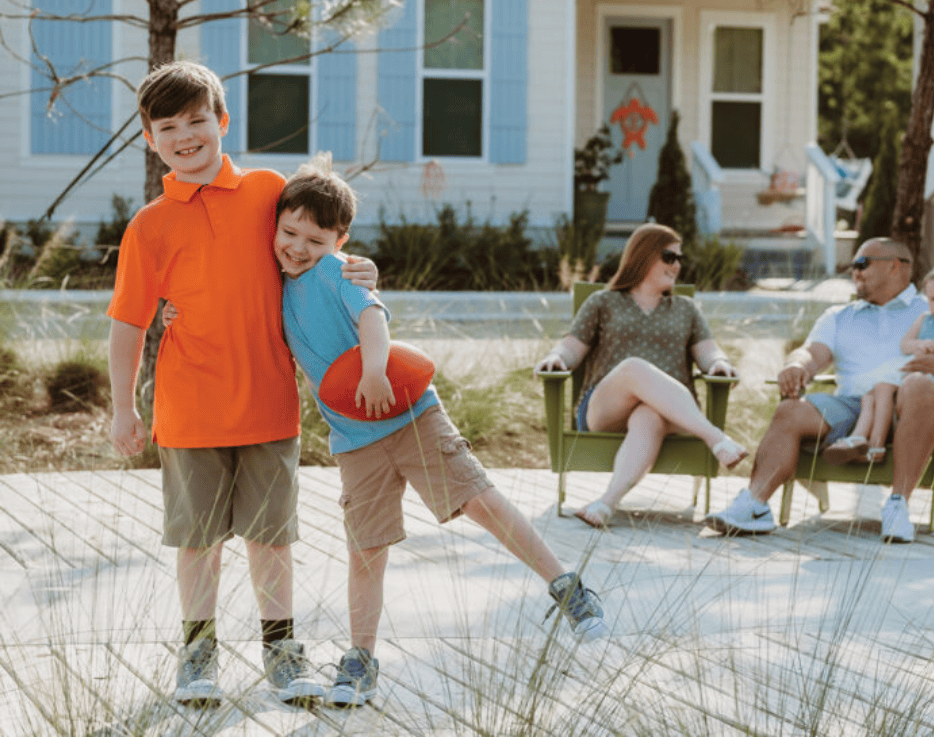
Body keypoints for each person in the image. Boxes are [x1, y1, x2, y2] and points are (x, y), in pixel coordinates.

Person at [260, 155, 608, 707]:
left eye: (316, 238)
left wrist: (374, 370)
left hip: (412, 414)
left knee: (479, 500)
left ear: (340, 239)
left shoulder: (337, 272)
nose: (298, 247)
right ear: (275, 227)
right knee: (366, 549)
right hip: (355, 438)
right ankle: (360, 660)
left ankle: (567, 586)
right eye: (289, 232)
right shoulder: (273, 284)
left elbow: (373, 317)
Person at [107, 61, 379, 707]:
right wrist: (122, 406)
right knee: (197, 542)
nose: (185, 135)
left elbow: (313, 245)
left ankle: (283, 654)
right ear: (151, 139)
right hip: (188, 408)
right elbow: (126, 321)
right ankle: (197, 657)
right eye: (167, 126)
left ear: (221, 121)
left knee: (271, 540)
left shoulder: (267, 191)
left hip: (268, 405)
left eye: (197, 120)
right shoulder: (149, 224)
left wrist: (357, 263)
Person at [705, 238, 934, 544]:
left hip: (909, 407)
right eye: (852, 267)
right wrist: (796, 365)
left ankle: (897, 506)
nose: (853, 272)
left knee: (919, 385)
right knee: (790, 410)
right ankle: (755, 506)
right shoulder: (839, 316)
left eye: (861, 264)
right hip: (850, 408)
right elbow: (811, 354)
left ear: (894, 266)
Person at [533, 224, 746, 529]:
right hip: (607, 408)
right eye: (669, 256)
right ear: (644, 255)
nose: (676, 265)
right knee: (634, 368)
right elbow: (570, 347)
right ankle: (716, 439)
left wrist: (720, 364)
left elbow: (710, 353)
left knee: (649, 416)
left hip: (670, 412)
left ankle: (605, 504)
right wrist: (555, 358)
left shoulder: (685, 309)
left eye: (679, 259)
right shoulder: (602, 302)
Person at [822, 261, 934, 466]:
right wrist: (920, 343)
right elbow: (905, 344)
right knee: (869, 396)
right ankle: (858, 438)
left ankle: (875, 445)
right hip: (913, 367)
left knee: (881, 389)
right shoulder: (924, 318)